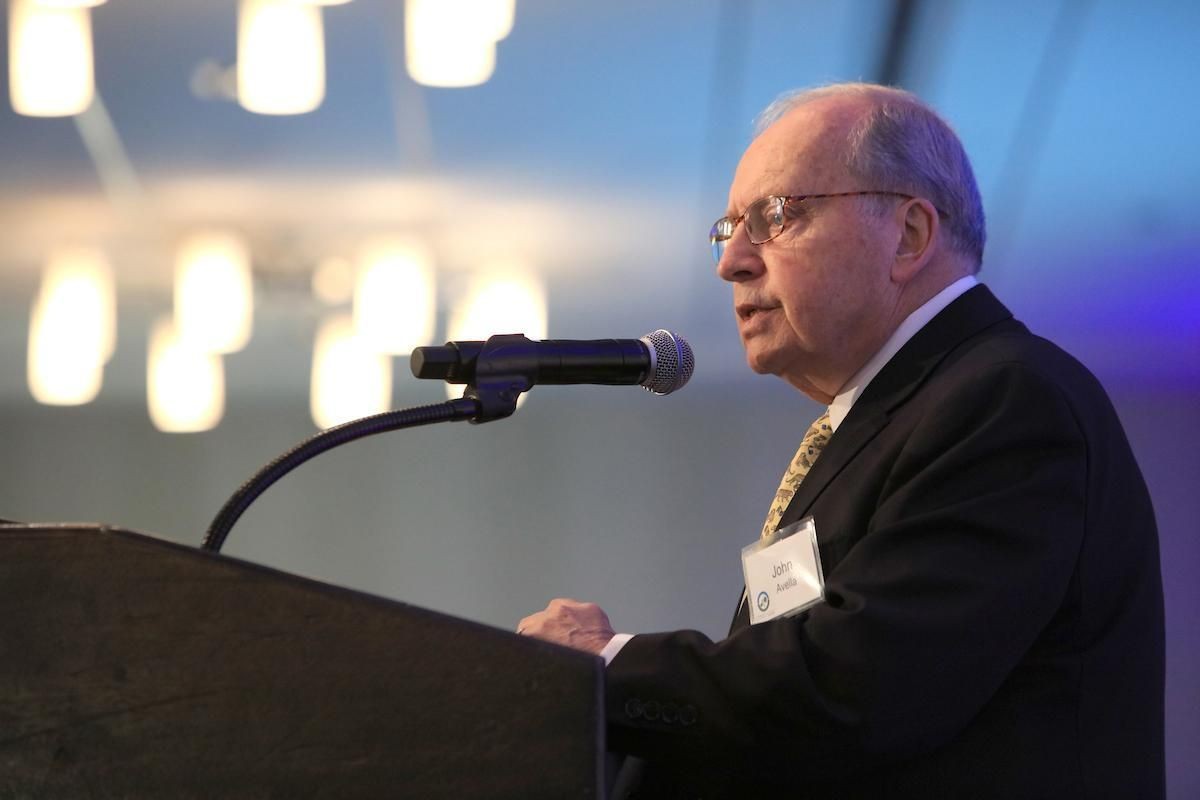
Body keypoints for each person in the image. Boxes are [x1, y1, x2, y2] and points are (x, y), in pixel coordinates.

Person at [517, 83, 1164, 799]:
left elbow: (855, 685)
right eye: (729, 227)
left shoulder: (1007, 398)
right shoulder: (881, 418)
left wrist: (604, 663)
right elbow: (789, 689)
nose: (731, 261)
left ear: (909, 235)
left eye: (775, 215)